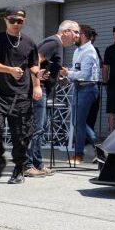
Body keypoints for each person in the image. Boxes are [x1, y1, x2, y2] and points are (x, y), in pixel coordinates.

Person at [0, 7, 41, 184]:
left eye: (20, 21)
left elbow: (33, 66)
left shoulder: (30, 42)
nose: (16, 24)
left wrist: (39, 81)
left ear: (24, 21)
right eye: (13, 20)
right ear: (5, 20)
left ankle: (18, 169)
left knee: (21, 134)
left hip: (22, 94)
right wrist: (9, 70)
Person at [25, 20, 79, 176]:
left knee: (40, 129)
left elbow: (47, 63)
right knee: (36, 129)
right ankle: (28, 165)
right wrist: (36, 85)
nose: (77, 36)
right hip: (39, 89)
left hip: (44, 89)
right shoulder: (54, 42)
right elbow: (34, 61)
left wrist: (59, 72)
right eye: (75, 32)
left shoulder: (58, 45)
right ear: (64, 32)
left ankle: (38, 164)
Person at [69, 24, 100, 164]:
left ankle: (79, 155)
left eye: (77, 33)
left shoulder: (89, 52)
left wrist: (67, 73)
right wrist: (67, 74)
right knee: (77, 122)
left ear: (84, 36)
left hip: (87, 88)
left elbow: (84, 75)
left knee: (79, 123)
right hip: (78, 88)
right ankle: (100, 148)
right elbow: (76, 70)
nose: (74, 35)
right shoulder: (78, 51)